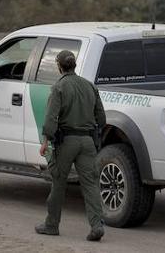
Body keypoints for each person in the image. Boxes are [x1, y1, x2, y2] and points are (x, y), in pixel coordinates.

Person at [35, 49, 106, 242]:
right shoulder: (90, 86)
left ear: (59, 66)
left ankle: (51, 225)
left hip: (67, 142)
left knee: (58, 182)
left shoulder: (59, 87)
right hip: (88, 142)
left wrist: (45, 142)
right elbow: (102, 118)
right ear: (74, 65)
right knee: (90, 184)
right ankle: (97, 225)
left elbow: (51, 119)